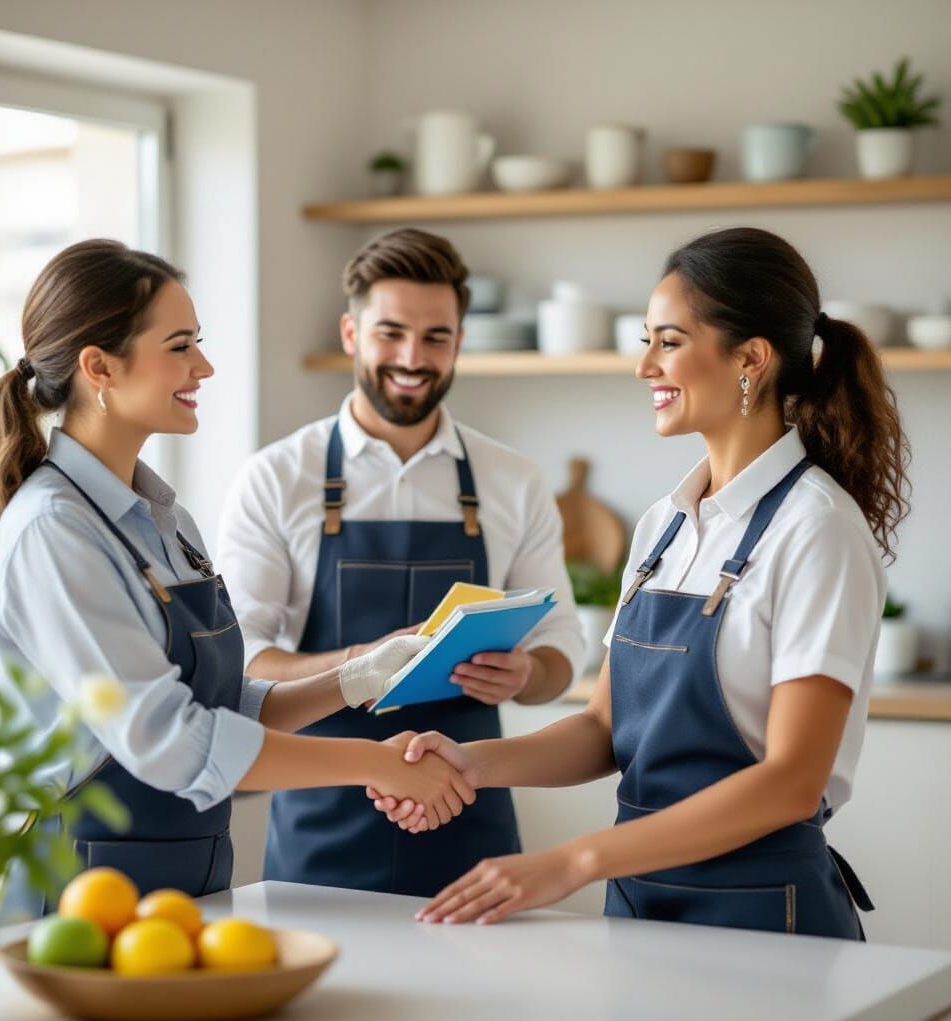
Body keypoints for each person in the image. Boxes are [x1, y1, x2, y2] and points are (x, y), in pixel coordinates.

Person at [372, 227, 909, 938]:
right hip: (639, 904)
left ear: (750, 358)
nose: (645, 367)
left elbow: (790, 783)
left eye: (669, 341)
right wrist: (466, 762)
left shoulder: (817, 529)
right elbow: (604, 729)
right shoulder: (664, 524)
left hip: (762, 913)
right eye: (645, 342)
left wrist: (574, 861)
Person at [0, 239, 472, 923]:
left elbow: (217, 703)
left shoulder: (162, 518)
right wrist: (375, 763)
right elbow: (171, 738)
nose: (204, 365)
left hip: (185, 890)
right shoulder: (55, 530)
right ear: (99, 367)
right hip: (82, 898)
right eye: (179, 347)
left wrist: (363, 675)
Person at [217, 228, 584, 896]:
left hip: (471, 827)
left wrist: (526, 673)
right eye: (390, 333)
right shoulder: (276, 477)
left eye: (436, 338)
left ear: (459, 343)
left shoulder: (513, 480)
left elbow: (562, 655)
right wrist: (366, 660)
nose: (413, 357)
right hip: (321, 830)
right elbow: (245, 663)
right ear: (351, 335)